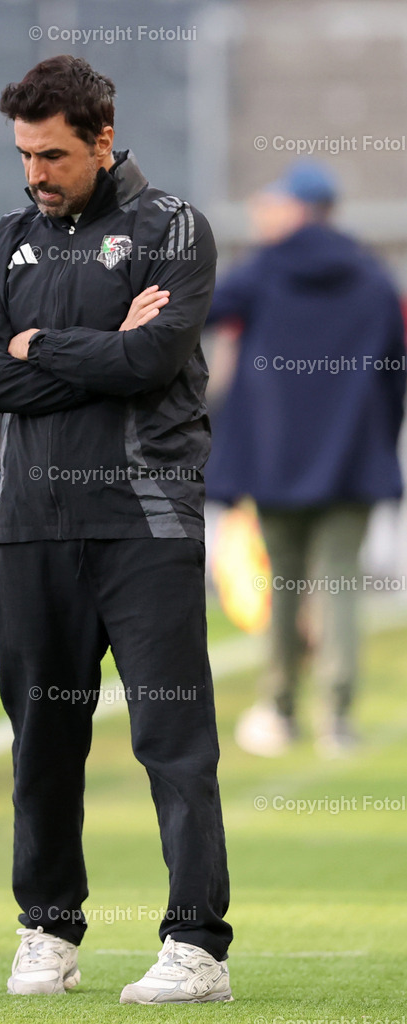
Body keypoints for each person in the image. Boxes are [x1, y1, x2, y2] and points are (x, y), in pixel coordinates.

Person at [0, 55, 233, 1004]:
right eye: (26, 155)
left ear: (103, 139)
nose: (36, 173)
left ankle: (196, 944)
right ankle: (47, 930)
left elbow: (154, 358)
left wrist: (55, 346)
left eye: (55, 155)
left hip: (145, 519)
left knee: (171, 740)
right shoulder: (6, 241)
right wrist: (104, 349)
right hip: (30, 524)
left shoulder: (174, 229)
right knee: (42, 743)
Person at [206, 161, 406, 757]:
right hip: (353, 458)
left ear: (298, 209)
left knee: (283, 584)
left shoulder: (263, 268)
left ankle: (279, 709)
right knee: (342, 582)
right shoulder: (375, 278)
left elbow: (201, 313)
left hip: (273, 458)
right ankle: (338, 719)